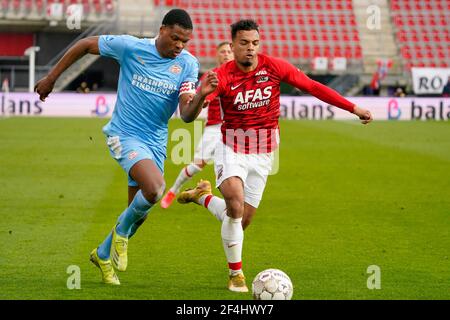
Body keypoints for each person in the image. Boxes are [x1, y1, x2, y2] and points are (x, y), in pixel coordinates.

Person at [177, 19, 373, 293]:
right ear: (232, 45)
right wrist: (201, 95)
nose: (250, 49)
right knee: (234, 205)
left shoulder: (275, 67)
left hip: (264, 152)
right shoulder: (218, 76)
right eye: (244, 43)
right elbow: (187, 116)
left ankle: (203, 197)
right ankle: (236, 276)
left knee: (241, 220)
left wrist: (353, 107)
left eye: (255, 43)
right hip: (232, 147)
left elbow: (313, 87)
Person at [34, 9, 217, 285]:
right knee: (155, 189)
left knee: (137, 215)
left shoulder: (188, 65)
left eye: (185, 42)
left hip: (155, 142)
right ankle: (120, 232)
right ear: (163, 30)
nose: (180, 46)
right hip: (125, 134)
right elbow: (84, 44)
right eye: (176, 38)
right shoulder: (131, 47)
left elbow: (187, 115)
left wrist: (201, 95)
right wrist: (52, 78)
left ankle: (103, 254)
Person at [160, 41, 233, 209]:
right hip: (215, 129)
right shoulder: (211, 75)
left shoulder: (241, 75)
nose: (226, 54)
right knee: (196, 166)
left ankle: (226, 201)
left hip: (235, 130)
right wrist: (204, 100)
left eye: (229, 51)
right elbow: (202, 95)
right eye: (222, 51)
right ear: (217, 55)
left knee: (233, 168)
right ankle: (173, 190)